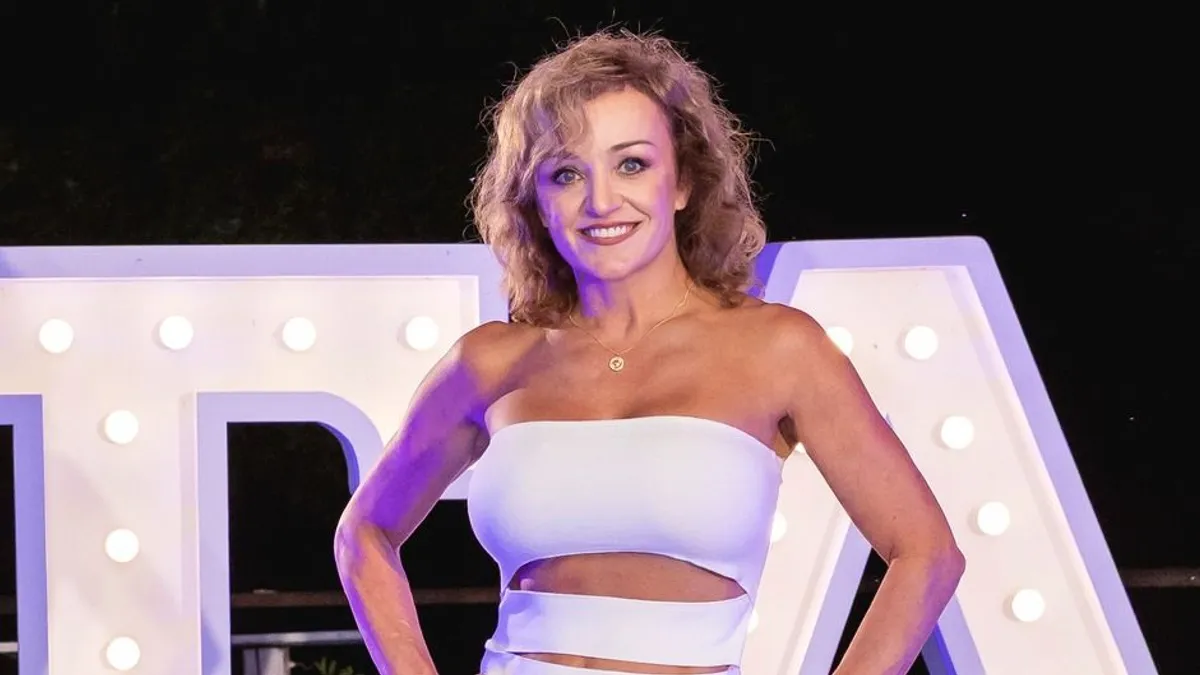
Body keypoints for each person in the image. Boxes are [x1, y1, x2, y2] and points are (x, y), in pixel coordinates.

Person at [334, 29, 965, 675]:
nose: (602, 201)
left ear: (684, 181)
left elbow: (926, 552)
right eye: (566, 174)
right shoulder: (489, 361)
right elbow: (365, 533)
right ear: (537, 202)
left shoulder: (781, 348)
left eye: (631, 164)